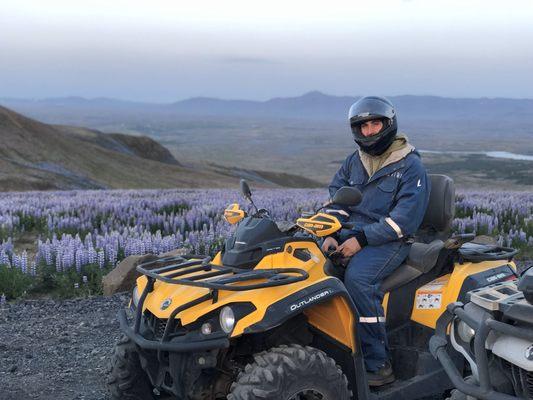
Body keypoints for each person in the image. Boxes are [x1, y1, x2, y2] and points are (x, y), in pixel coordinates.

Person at [322, 96, 430, 387]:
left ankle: (377, 363)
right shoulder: (353, 162)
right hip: (351, 235)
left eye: (375, 124)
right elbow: (337, 201)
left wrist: (362, 239)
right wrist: (329, 233)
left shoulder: (409, 166)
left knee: (358, 279)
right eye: (363, 126)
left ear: (389, 124)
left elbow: (403, 221)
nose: (369, 131)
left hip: (390, 241)